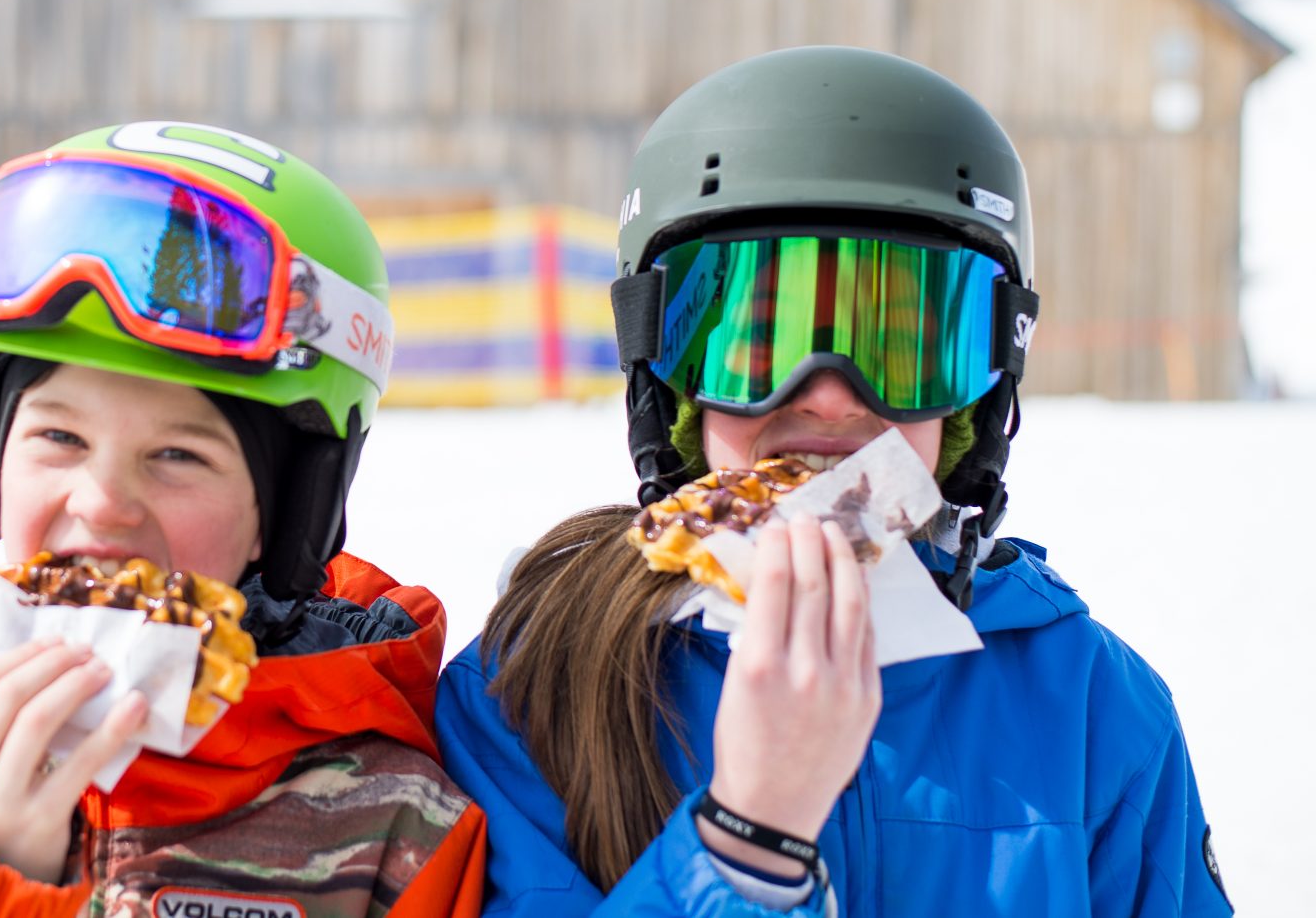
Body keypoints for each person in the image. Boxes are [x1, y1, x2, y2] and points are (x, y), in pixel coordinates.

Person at [435, 47, 1230, 916]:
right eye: (756, 342)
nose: (826, 393)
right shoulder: (534, 693)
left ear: (977, 396)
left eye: (897, 350)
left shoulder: (1092, 712)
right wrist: (747, 841)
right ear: (666, 387)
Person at [0, 121, 485, 917]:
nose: (102, 501)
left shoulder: (399, 832)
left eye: (177, 455)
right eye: (59, 436)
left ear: (284, 518)